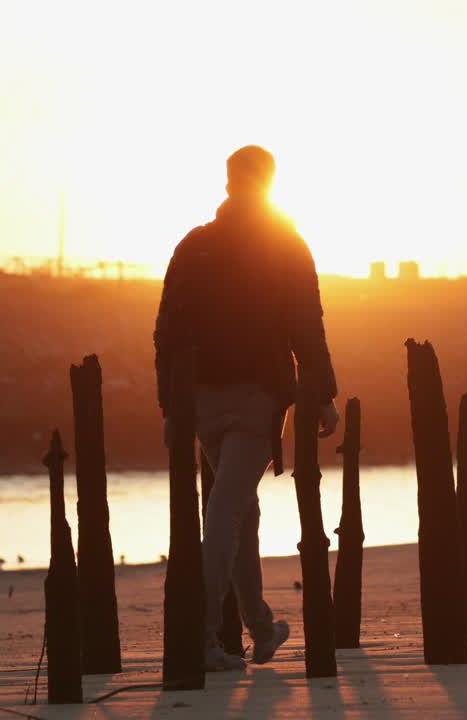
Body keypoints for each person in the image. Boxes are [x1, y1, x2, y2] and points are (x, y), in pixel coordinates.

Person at [154, 145, 341, 671]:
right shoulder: (286, 243)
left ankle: (260, 627)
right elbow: (307, 323)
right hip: (257, 397)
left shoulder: (195, 245)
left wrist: (172, 406)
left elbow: (166, 333)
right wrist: (323, 395)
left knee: (241, 510)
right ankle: (201, 638)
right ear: (271, 182)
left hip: (204, 401)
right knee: (226, 510)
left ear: (231, 181)